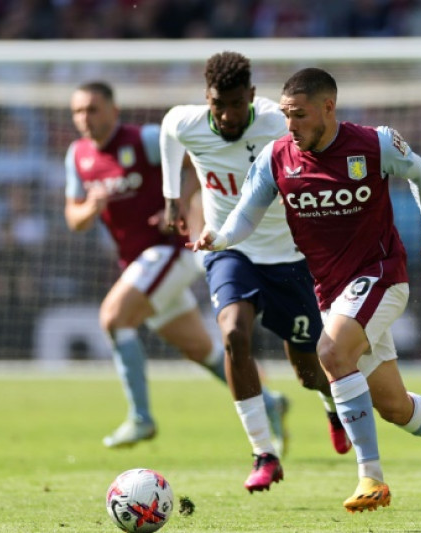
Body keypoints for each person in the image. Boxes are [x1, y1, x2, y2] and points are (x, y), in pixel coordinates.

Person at [190, 67, 421, 512]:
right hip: (334, 294)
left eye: (298, 115)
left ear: (328, 108)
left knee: (331, 353)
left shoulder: (373, 143)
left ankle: (371, 478)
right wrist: (217, 237)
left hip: (380, 275)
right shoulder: (277, 158)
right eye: (285, 115)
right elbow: (245, 217)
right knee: (395, 408)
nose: (289, 125)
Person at [161, 52, 351, 494]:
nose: (226, 115)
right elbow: (169, 136)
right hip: (229, 250)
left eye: (235, 104)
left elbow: (322, 146)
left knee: (308, 367)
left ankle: (331, 405)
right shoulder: (186, 122)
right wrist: (172, 197)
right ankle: (264, 453)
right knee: (233, 334)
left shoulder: (275, 122)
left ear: (251, 95)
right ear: (206, 98)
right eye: (217, 104)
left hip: (290, 256)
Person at [64, 81, 288, 448]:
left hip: (171, 250)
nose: (85, 118)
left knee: (114, 319)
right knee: (201, 351)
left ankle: (141, 418)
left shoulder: (146, 139)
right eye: (78, 111)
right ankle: (270, 401)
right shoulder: (77, 156)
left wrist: (179, 201)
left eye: (92, 109)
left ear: (113, 110)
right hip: (138, 262)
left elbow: (197, 160)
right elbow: (74, 218)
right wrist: (91, 207)